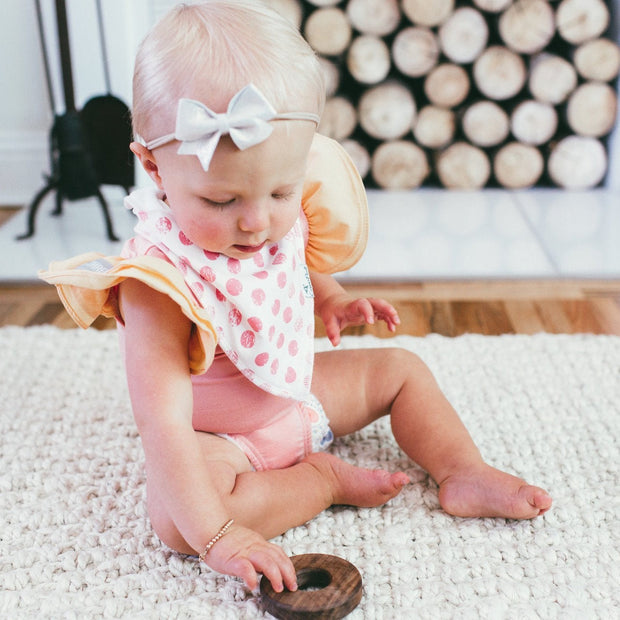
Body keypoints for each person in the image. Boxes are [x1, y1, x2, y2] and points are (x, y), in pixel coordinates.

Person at [41, 0, 551, 595]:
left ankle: (463, 472)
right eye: (221, 202)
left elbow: (294, 264)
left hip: (300, 396)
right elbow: (163, 423)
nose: (256, 223)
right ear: (154, 166)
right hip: (221, 441)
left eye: (281, 192)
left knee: (402, 369)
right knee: (177, 525)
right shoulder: (156, 283)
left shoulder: (275, 203)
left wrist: (330, 299)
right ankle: (321, 483)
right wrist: (219, 534)